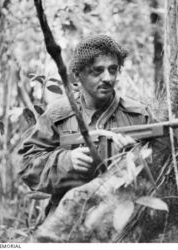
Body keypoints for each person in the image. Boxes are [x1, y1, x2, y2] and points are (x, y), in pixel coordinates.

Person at [18, 34, 153, 217]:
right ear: (78, 74)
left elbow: (160, 173)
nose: (108, 78)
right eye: (97, 71)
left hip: (121, 218)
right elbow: (27, 166)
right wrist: (67, 160)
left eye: (113, 69)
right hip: (68, 219)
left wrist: (133, 158)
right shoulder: (59, 114)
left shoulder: (139, 115)